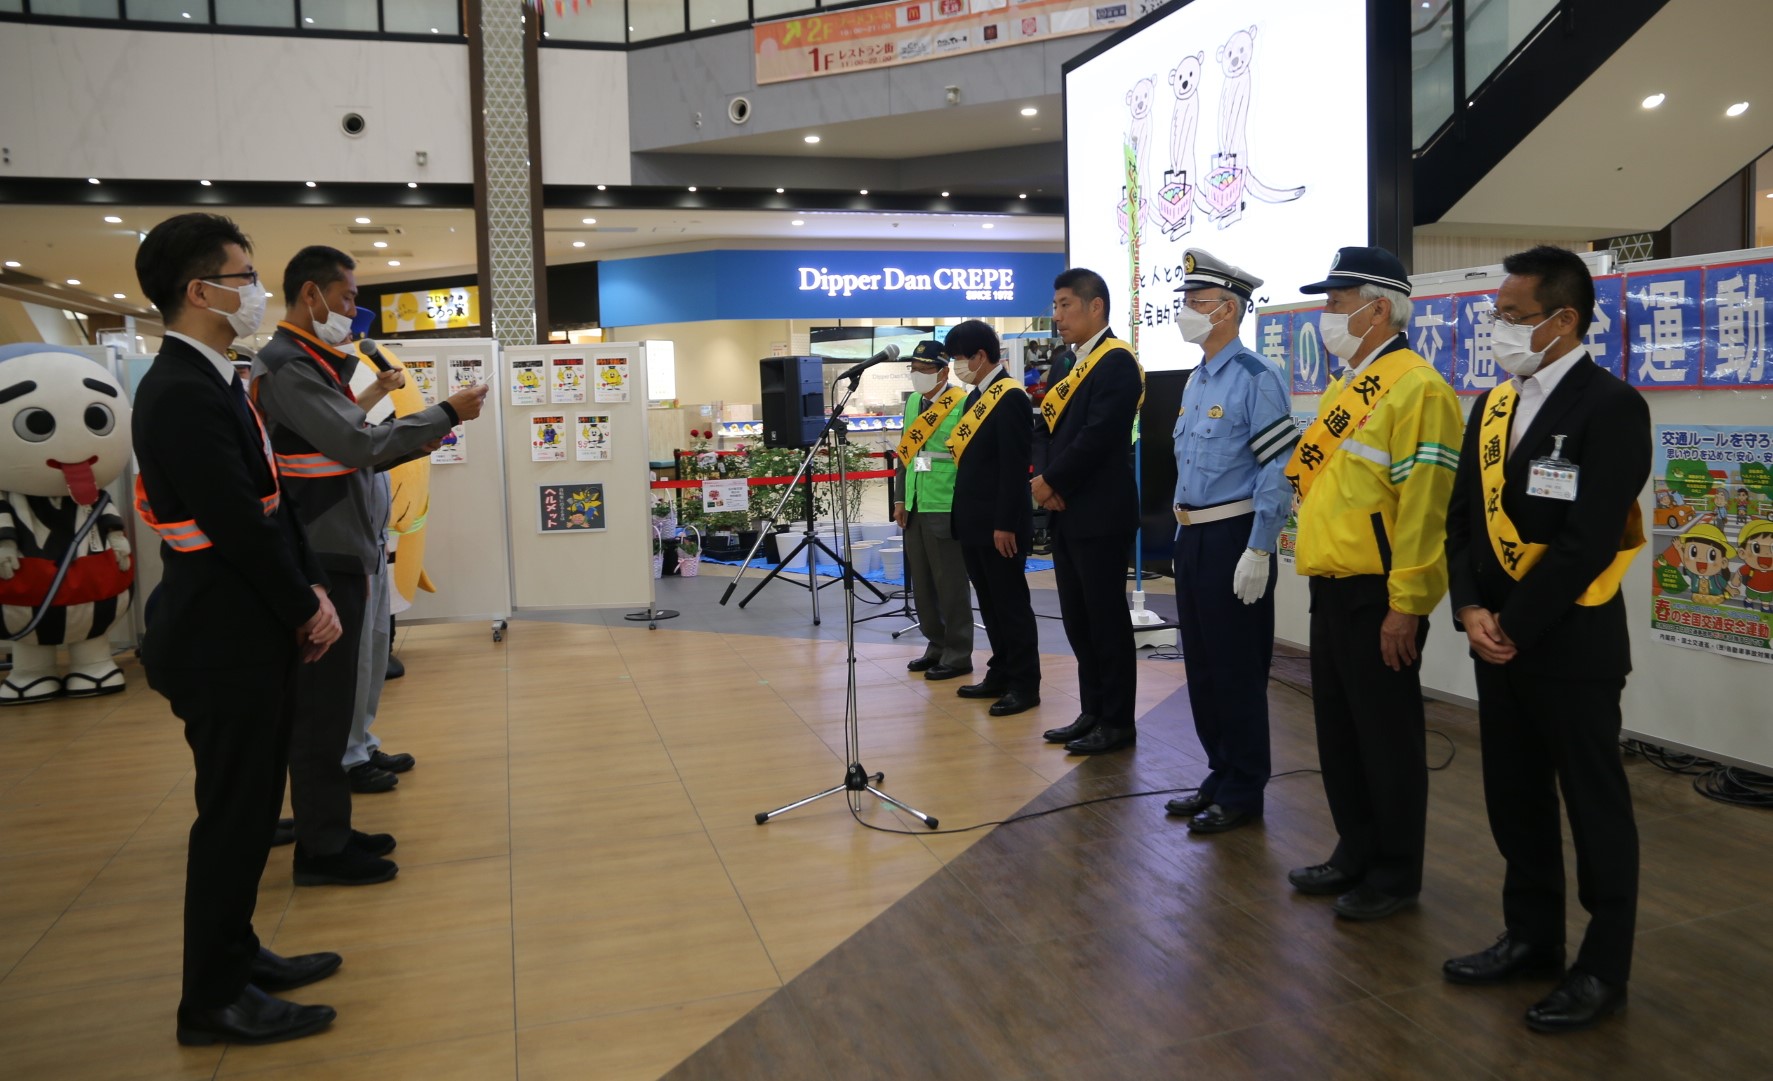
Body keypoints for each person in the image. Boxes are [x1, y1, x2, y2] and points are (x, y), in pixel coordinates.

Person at [132, 212, 344, 1045]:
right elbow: (235, 522)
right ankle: (212, 998)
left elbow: (273, 504)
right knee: (232, 816)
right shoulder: (178, 391)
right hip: (220, 641)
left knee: (252, 812)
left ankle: (239, 951)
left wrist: (311, 589)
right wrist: (305, 603)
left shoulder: (215, 377)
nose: (256, 290)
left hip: (248, 632)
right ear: (200, 291)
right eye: (244, 274)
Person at [1443, 245, 1650, 1033]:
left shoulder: (1610, 406)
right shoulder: (1494, 404)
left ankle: (1601, 968)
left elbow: (1588, 539)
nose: (1499, 329)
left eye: (1513, 316)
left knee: (1594, 810)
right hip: (1493, 643)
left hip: (1571, 648)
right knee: (1515, 800)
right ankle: (1530, 935)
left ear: (1562, 320)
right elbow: (1462, 517)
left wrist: (1514, 627)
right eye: (1496, 315)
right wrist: (1468, 608)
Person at [252, 245, 486, 886]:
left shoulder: (314, 365)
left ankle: (331, 830)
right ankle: (322, 848)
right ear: (311, 295)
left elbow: (344, 440)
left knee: (337, 701)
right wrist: (443, 414)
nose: (354, 311)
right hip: (323, 548)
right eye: (348, 297)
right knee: (323, 706)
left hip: (344, 542)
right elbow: (355, 444)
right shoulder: (286, 365)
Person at [1283, 246, 1462, 921]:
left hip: (1378, 592)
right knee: (1338, 730)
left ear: (1376, 307)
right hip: (1329, 584)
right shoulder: (1346, 383)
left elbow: (1425, 506)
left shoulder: (1418, 389)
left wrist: (1406, 603)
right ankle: (1353, 848)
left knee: (1385, 736)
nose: (1325, 313)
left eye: (1334, 301)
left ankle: (1393, 871)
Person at [1161, 250, 1298, 833]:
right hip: (1192, 537)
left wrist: (1260, 547)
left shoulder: (1255, 377)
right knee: (1202, 667)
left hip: (1234, 537)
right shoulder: (1196, 379)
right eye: (1185, 302)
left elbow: (1277, 469)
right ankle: (1218, 772)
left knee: (1237, 669)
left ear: (1227, 310)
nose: (1184, 312)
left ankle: (1244, 788)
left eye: (1195, 303)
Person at [1033, 268, 1144, 754]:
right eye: (1055, 306)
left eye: (1064, 305)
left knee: (1105, 619)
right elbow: (1045, 428)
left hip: (1099, 511)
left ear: (1095, 306)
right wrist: (1043, 479)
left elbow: (1099, 436)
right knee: (1077, 620)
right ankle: (1091, 710)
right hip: (1064, 509)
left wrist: (1052, 481)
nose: (1056, 316)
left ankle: (1117, 721)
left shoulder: (1116, 362)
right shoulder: (1063, 363)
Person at [946, 320, 1040, 716]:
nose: (956, 367)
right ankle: (999, 672)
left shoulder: (1011, 397)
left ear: (980, 356)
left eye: (958, 359)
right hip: (973, 521)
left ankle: (1024, 683)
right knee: (989, 603)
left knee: (1010, 605)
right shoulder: (974, 399)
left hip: (1000, 526)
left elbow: (1013, 468)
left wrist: (1004, 522)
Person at [893, 340, 975, 681]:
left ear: (943, 371)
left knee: (950, 584)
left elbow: (968, 459)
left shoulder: (962, 403)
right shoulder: (913, 402)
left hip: (945, 503)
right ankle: (935, 645)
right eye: (913, 369)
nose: (917, 376)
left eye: (924, 370)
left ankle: (958, 654)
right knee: (923, 584)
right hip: (913, 504)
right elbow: (905, 454)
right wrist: (899, 499)